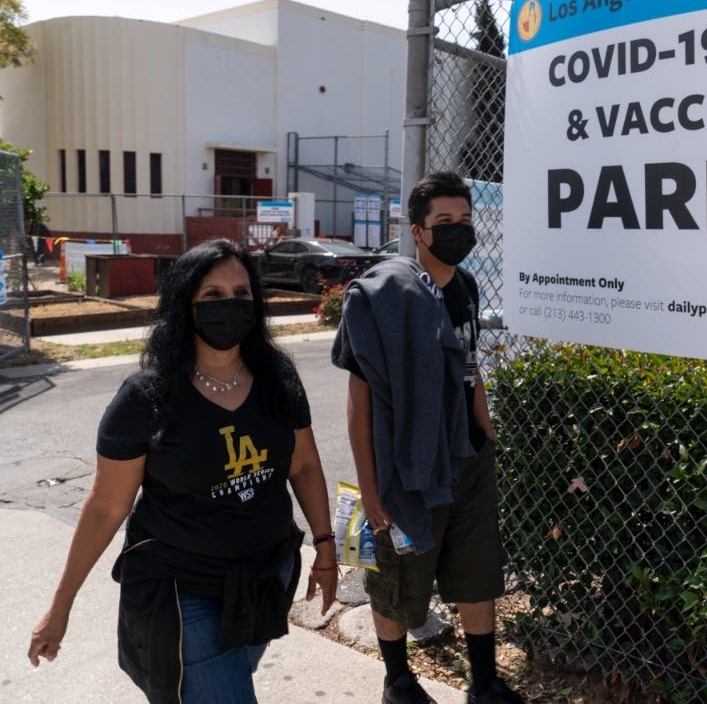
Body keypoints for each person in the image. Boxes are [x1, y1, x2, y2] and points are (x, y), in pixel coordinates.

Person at [27, 238, 338, 703]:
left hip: (265, 577)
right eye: (212, 296)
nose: (228, 305)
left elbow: (305, 465)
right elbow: (105, 508)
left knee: (219, 684)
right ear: (184, 306)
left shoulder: (278, 377)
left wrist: (326, 547)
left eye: (240, 294)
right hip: (182, 586)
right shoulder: (147, 397)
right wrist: (59, 607)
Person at [332, 171, 523, 704]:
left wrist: (485, 434)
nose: (458, 231)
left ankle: (483, 683)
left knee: (478, 570)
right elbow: (359, 401)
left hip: (468, 460)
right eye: (445, 223)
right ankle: (398, 681)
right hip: (407, 467)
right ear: (417, 231)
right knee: (397, 577)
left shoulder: (465, 287)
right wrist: (371, 495)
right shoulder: (382, 297)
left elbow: (472, 365)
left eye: (465, 221)